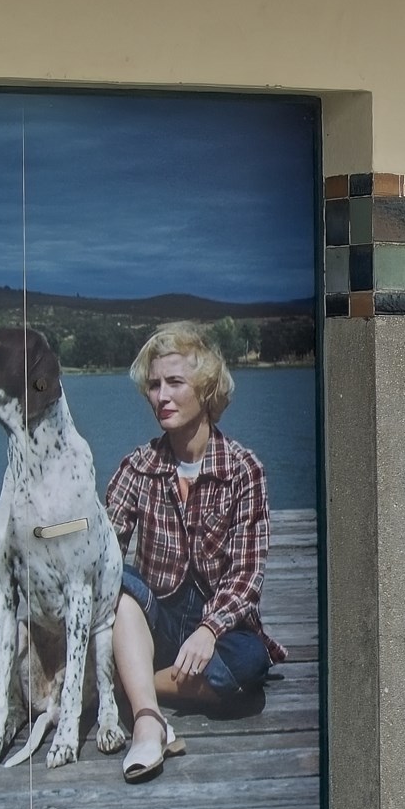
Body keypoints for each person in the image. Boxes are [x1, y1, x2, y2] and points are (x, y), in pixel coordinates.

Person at [103, 322, 283, 782]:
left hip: (219, 629)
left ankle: (132, 683)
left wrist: (208, 628)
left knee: (248, 666)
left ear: (205, 390)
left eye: (174, 383)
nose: (161, 396)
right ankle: (148, 721)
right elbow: (102, 553)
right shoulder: (137, 467)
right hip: (157, 619)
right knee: (118, 581)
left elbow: (246, 575)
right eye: (154, 385)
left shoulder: (244, 470)